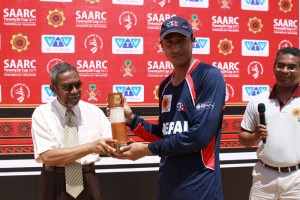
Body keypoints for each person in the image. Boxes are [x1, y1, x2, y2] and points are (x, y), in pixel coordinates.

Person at [113, 16, 226, 200]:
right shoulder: (165, 85)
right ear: (161, 45)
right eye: (169, 42)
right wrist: (132, 120)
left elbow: (199, 136)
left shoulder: (208, 76)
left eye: (181, 41)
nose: (176, 48)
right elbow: (163, 134)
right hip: (169, 187)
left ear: (193, 40)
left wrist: (147, 149)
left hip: (200, 188)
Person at [31, 62, 116, 200]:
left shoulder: (94, 112)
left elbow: (114, 145)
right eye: (67, 87)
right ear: (53, 89)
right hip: (54, 182)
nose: (75, 91)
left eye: (78, 85)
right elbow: (48, 156)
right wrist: (91, 147)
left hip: (88, 180)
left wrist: (123, 118)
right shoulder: (42, 114)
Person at [239, 47, 300, 200]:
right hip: (264, 178)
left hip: (297, 179)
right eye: (281, 65)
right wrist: (255, 137)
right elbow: (242, 138)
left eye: (292, 67)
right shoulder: (258, 100)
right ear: (273, 67)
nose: (285, 70)